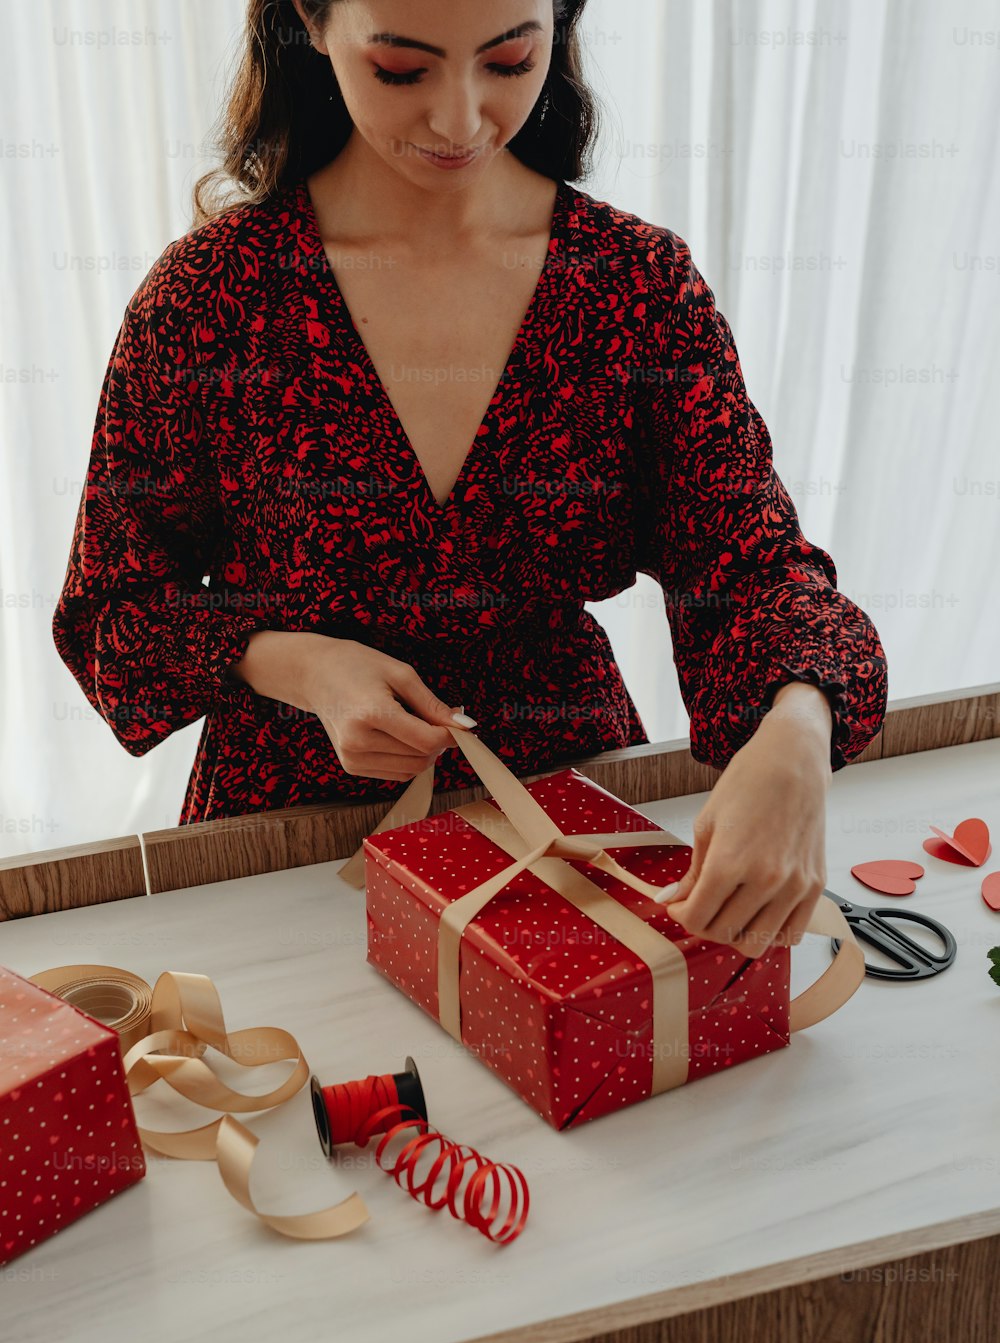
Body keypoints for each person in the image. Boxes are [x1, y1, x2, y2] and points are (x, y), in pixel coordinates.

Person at [51, 0, 888, 961]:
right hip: (291, 840)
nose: (460, 121)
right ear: (313, 26)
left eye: (509, 60)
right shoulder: (208, 299)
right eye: (403, 69)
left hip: (571, 815)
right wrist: (299, 662)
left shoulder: (637, 286)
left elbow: (753, 567)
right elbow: (111, 612)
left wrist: (797, 730)